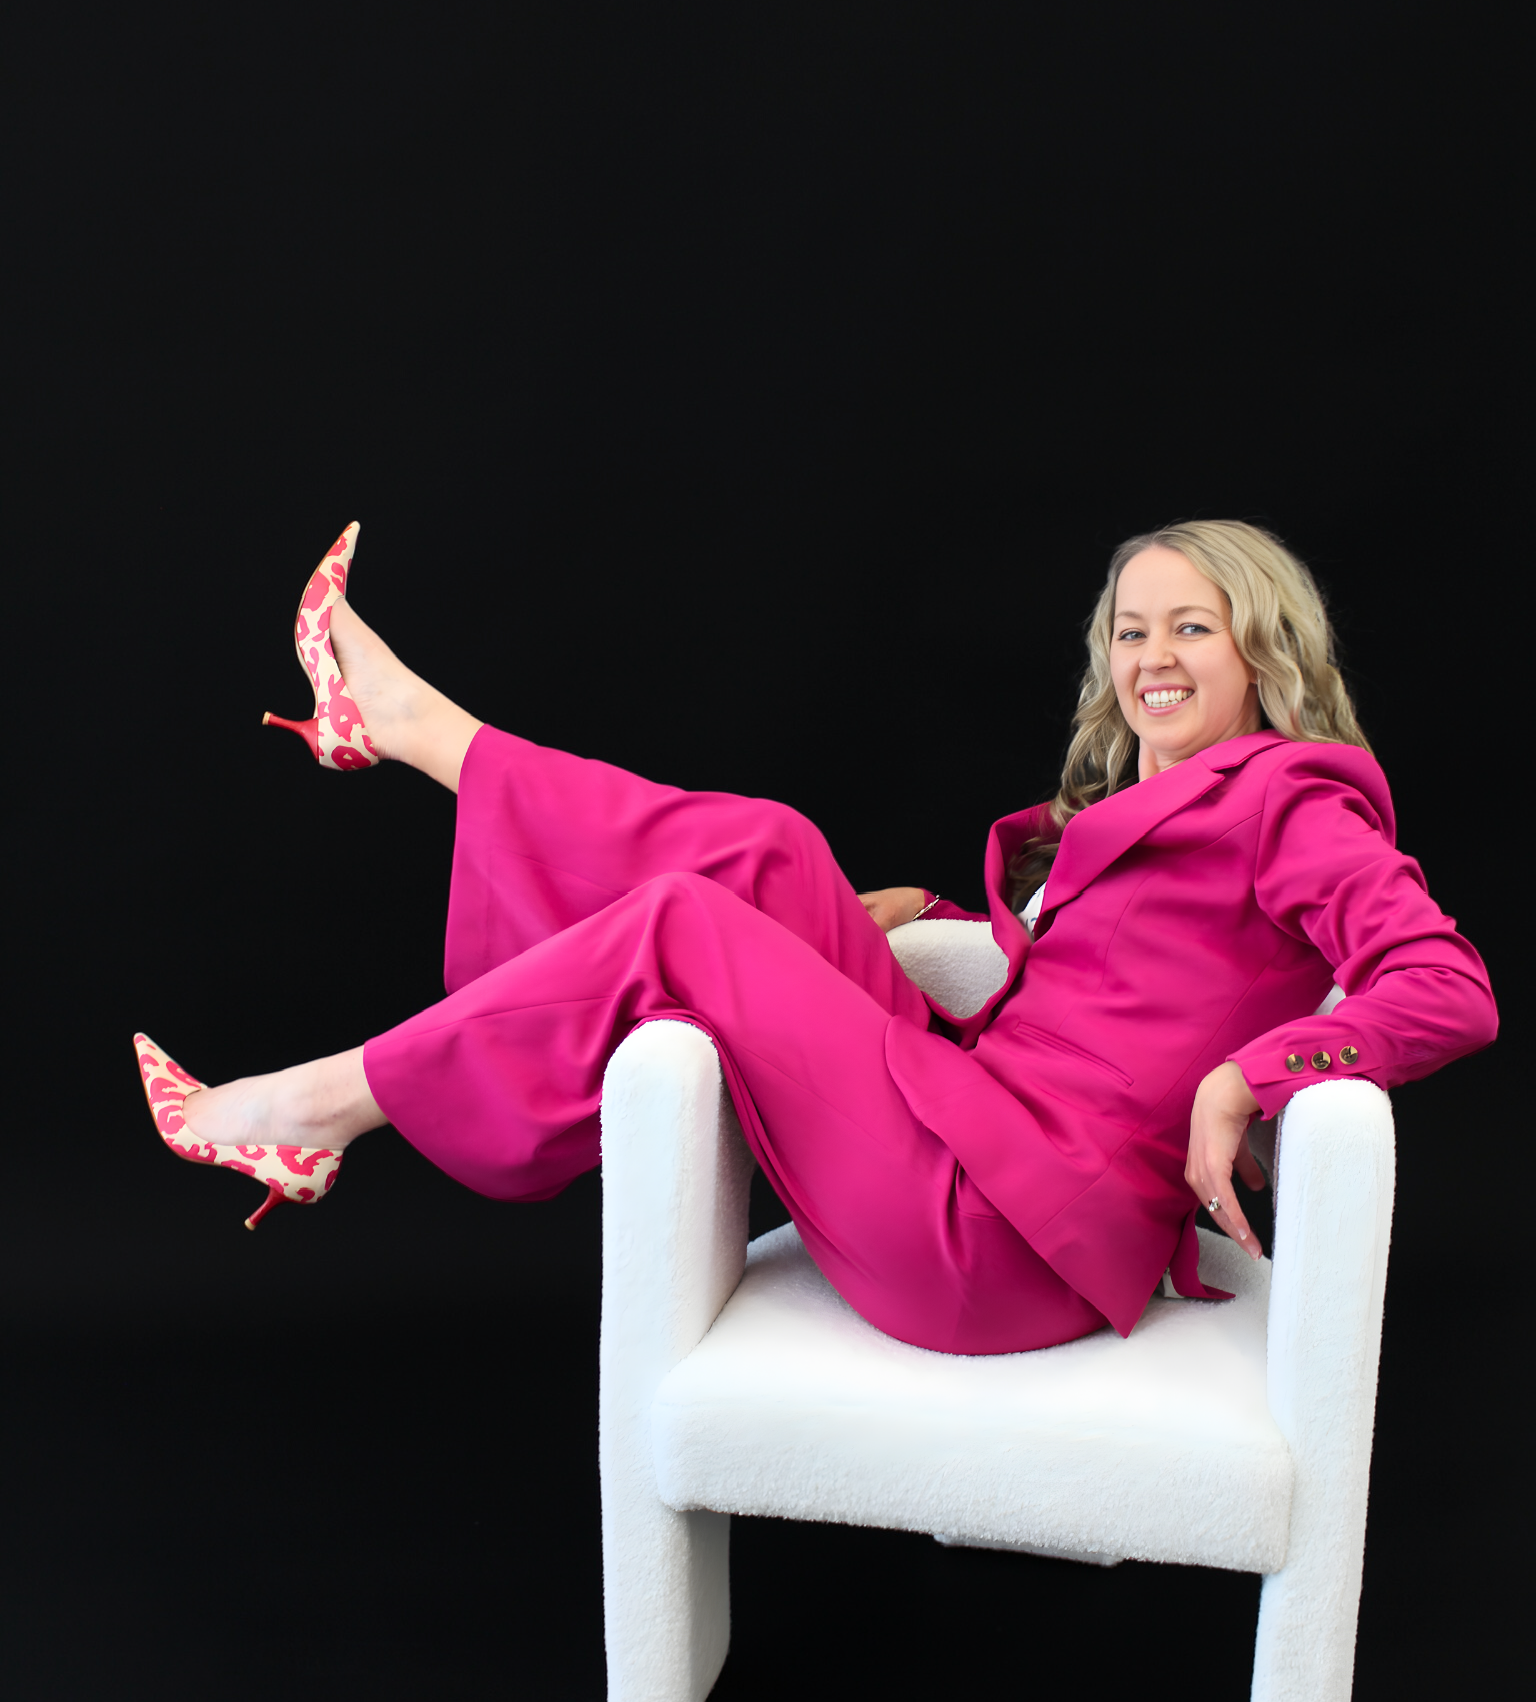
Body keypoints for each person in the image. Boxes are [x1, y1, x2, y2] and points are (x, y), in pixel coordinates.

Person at [135, 518, 1496, 1353]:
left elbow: (1448, 986)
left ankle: (318, 1109)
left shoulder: (1295, 800)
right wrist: (925, 925)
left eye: (1191, 627)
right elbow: (1113, 994)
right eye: (1132, 629)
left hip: (1005, 1242)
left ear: (1265, 651)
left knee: (681, 922)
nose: (1151, 657)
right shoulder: (1174, 800)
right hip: (985, 1127)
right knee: (778, 850)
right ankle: (427, 737)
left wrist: (1255, 1077)